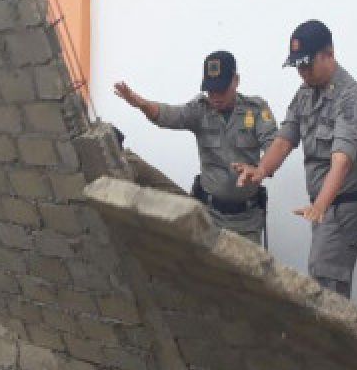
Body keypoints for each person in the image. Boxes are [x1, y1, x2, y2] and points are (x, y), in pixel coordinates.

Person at [236, 20, 357, 297]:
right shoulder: (305, 94)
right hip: (325, 209)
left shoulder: (350, 98)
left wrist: (321, 205)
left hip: (344, 207)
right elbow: (285, 138)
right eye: (298, 66)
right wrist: (261, 169)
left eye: (307, 64)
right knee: (328, 288)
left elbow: (342, 161)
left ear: (329, 54)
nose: (302, 72)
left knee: (325, 285)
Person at [113, 51, 277, 244]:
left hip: (246, 222)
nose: (215, 96)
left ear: (236, 80)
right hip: (207, 216)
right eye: (211, 90)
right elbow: (169, 115)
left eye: (221, 90)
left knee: (244, 272)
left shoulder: (256, 110)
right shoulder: (200, 110)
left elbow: (275, 144)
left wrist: (261, 169)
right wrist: (142, 105)